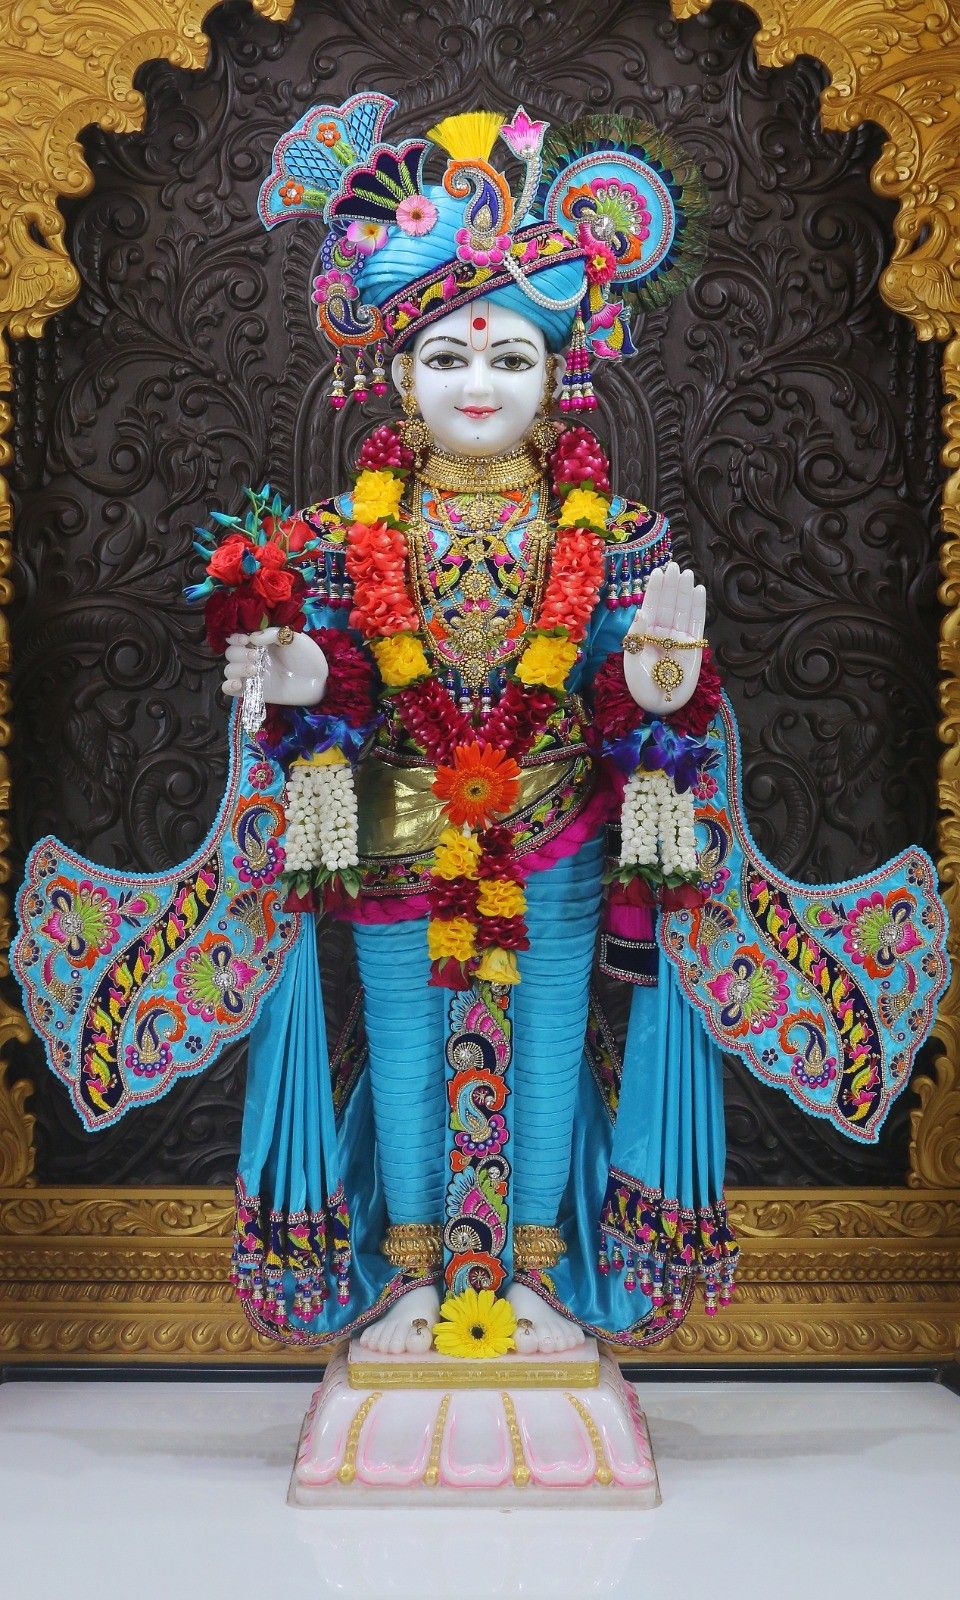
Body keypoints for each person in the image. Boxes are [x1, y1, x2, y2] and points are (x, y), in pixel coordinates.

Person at [13, 97, 947, 1362]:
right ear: (395, 373)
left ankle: (538, 1280)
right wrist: (296, 675)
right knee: (403, 1035)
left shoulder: (615, 537)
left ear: (561, 377)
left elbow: (633, 679)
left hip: (555, 818)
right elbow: (342, 668)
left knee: (553, 1032)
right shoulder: (354, 525)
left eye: (511, 358)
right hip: (396, 814)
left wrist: (667, 690)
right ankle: (412, 1275)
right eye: (450, 355)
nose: (478, 383)